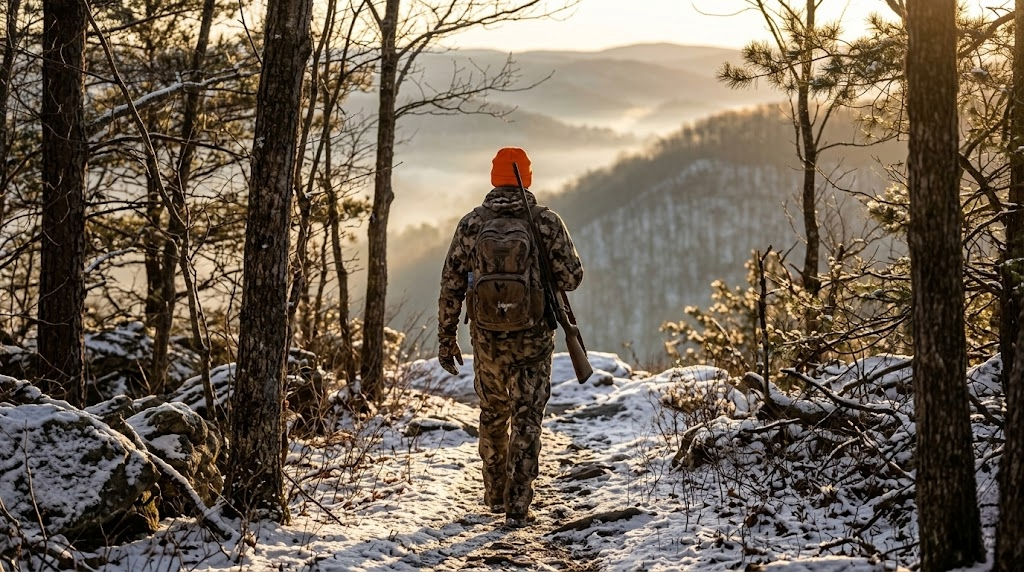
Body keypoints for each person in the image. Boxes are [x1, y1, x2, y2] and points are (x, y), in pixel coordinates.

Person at [437, 146, 584, 528]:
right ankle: (518, 505)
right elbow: (572, 277)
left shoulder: (472, 224)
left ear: (492, 178)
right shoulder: (546, 222)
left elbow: (451, 284)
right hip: (533, 341)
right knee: (527, 419)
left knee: (492, 413)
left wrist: (446, 337)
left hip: (486, 342)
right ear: (527, 177)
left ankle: (494, 492)